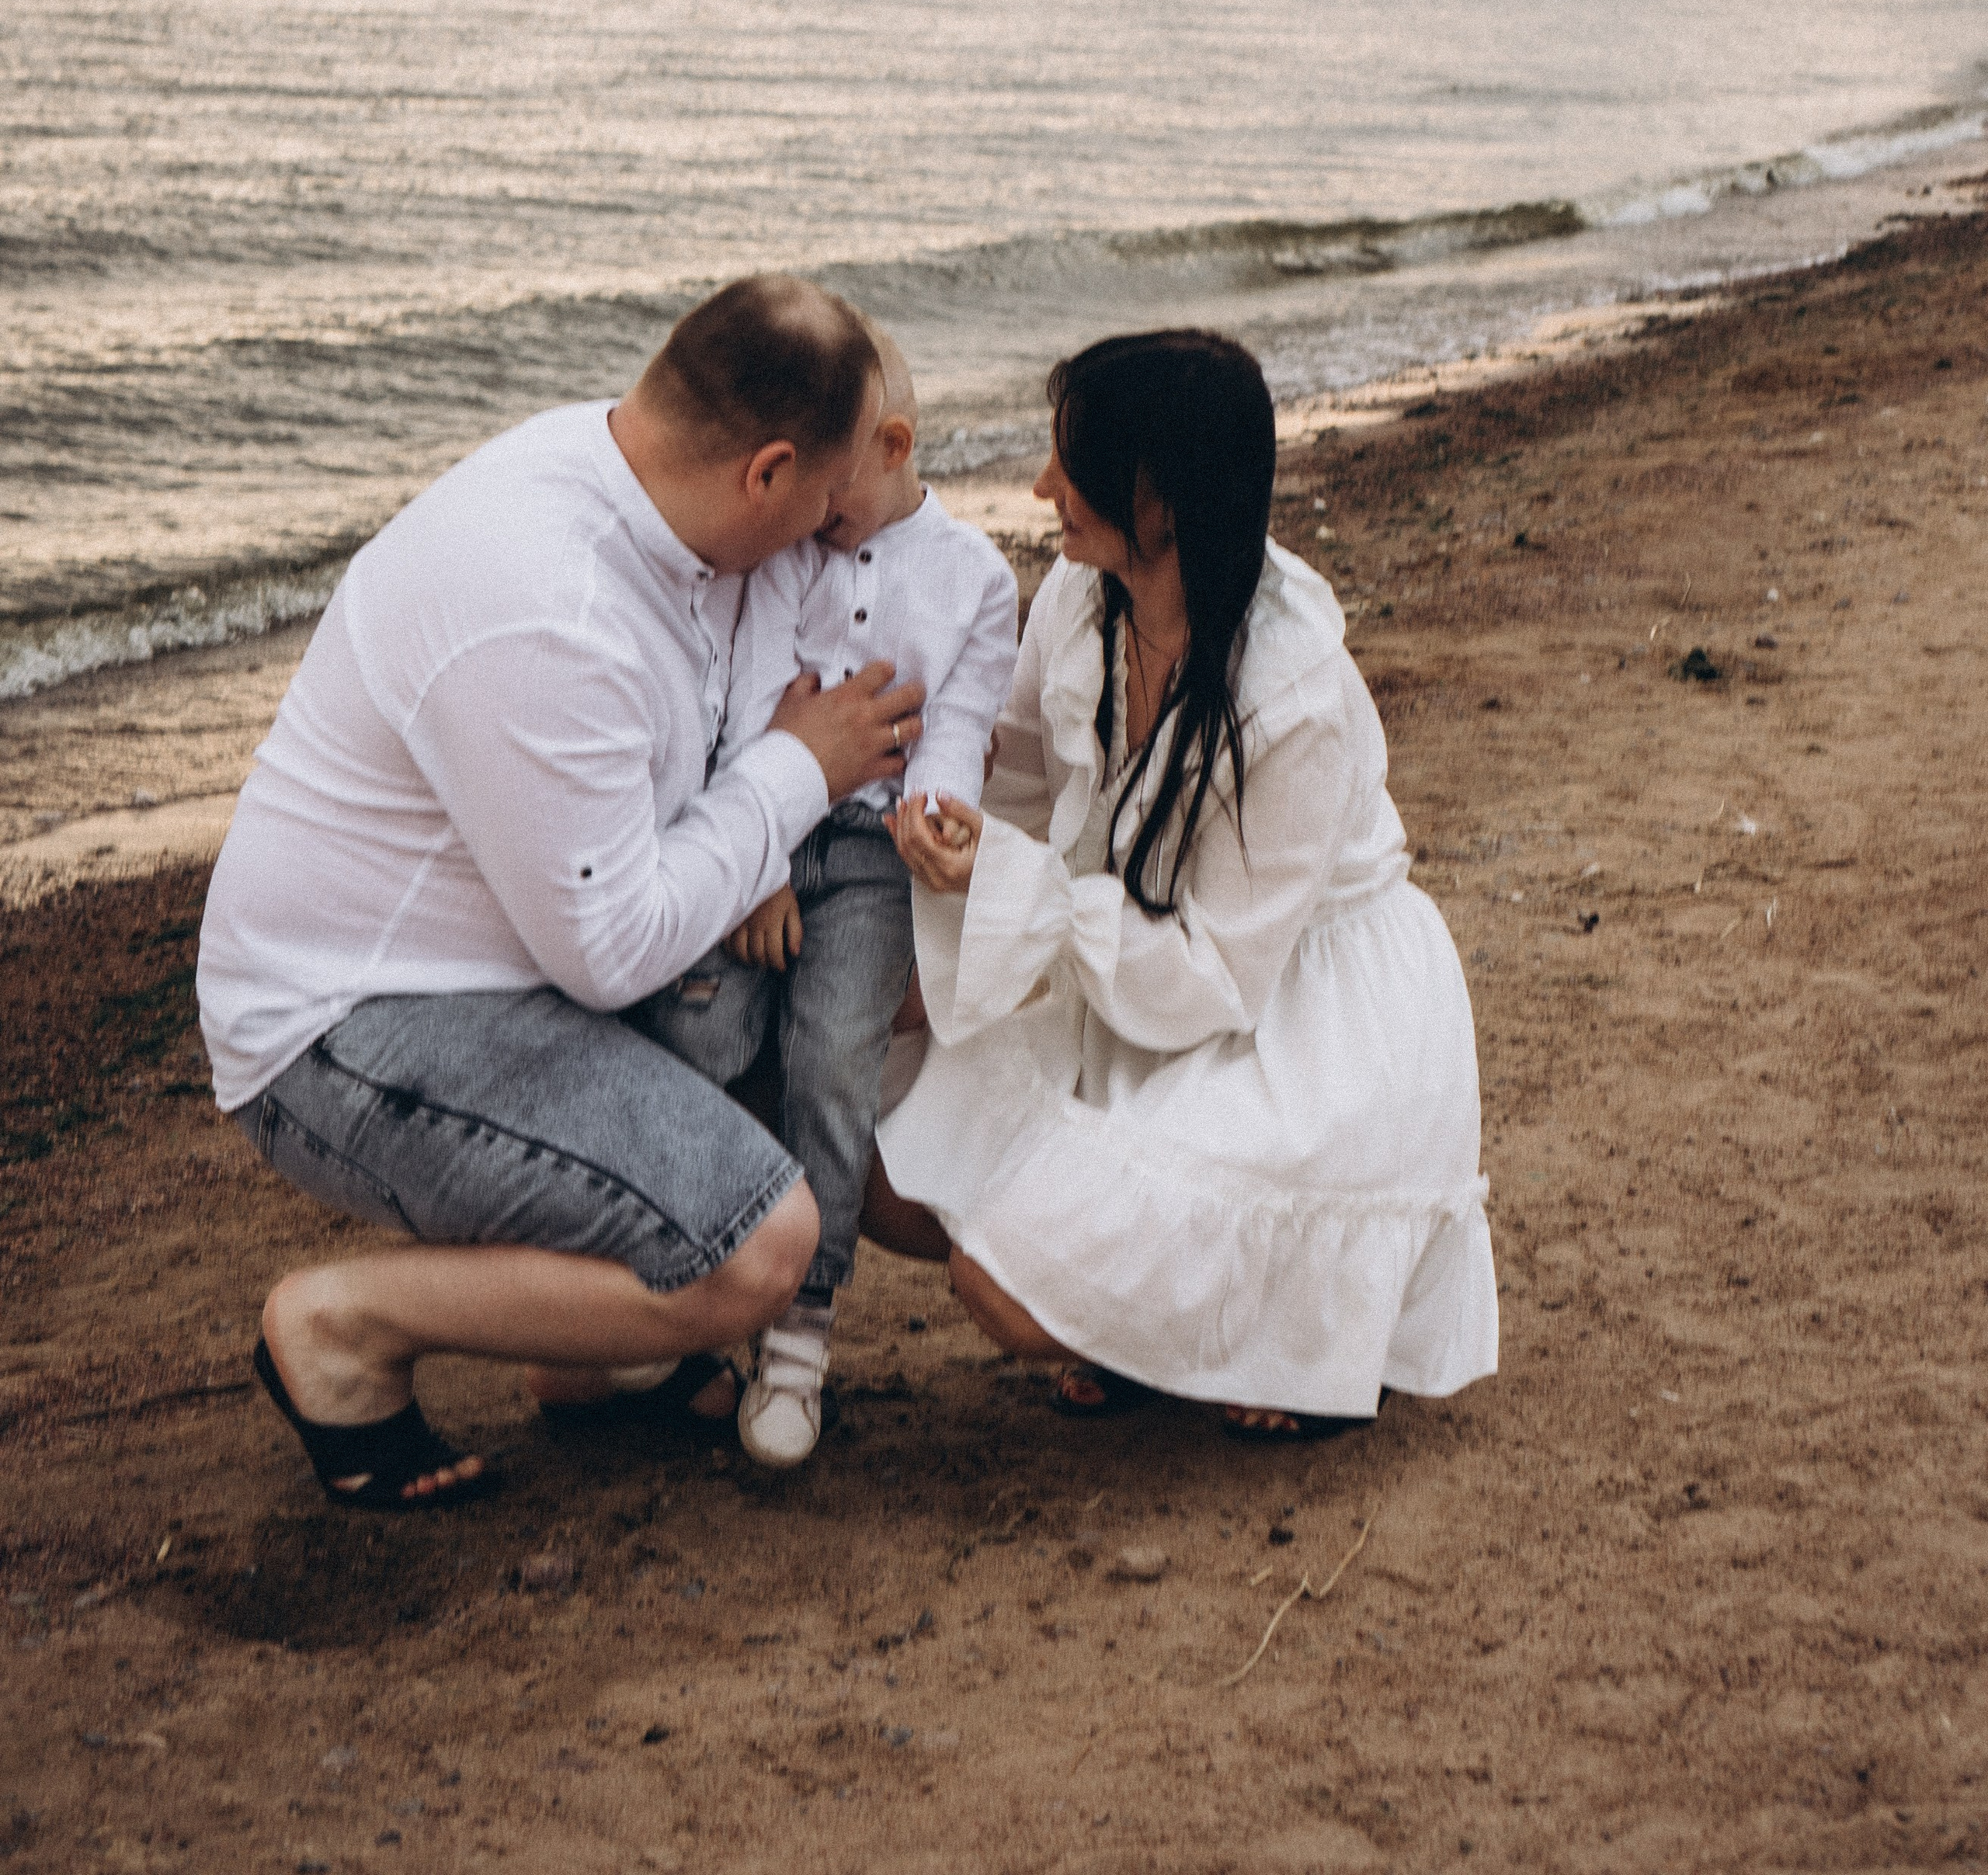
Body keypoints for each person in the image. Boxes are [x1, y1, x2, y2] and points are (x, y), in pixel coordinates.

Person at [196, 275, 925, 1508]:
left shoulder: (659, 493)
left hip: (515, 966)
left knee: (844, 1061)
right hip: (355, 1024)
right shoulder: (552, 608)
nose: (844, 519)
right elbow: (617, 943)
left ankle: (596, 1365)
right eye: (831, 493)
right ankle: (340, 1326)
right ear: (767, 473)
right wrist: (801, 770)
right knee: (759, 1244)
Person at [874, 328, 1497, 1435]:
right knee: (893, 1181)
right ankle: (1157, 1326)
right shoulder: (1083, 602)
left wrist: (1027, 901)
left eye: (1073, 464)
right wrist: (946, 851)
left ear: (1159, 500)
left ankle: (1267, 1342)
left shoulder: (1293, 694)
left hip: (1299, 1018)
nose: (1042, 488)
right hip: (1135, 960)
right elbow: (1014, 783)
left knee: (1004, 1292)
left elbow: (1217, 974)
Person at [636, 324, 1017, 1466]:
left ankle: (800, 1336)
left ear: (890, 448)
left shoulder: (976, 579)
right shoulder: (786, 556)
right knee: (705, 1034)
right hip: (761, 824)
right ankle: (683, 1297)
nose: (808, 515)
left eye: (827, 488)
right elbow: (750, 691)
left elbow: (954, 720)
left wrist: (937, 811)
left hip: (867, 858)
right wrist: (753, 866)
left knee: (833, 1058)